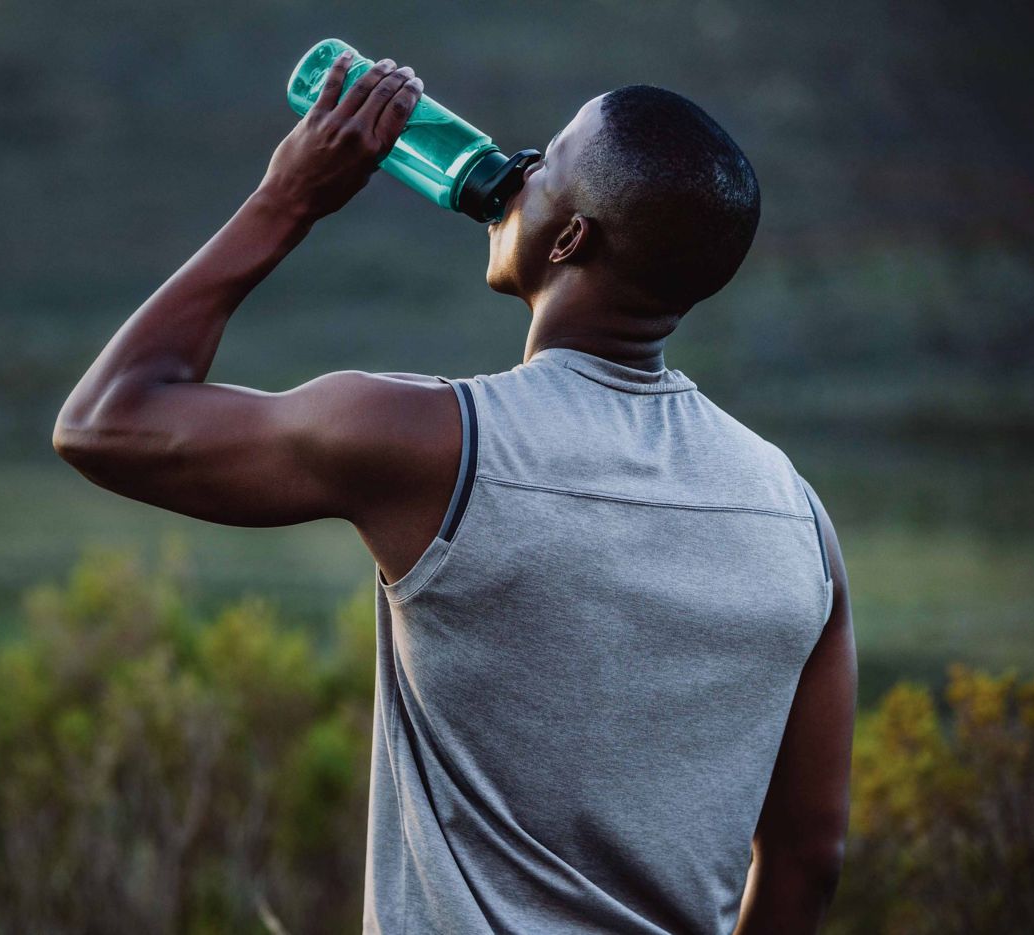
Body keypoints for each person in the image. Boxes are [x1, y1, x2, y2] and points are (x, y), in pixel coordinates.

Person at [52, 51, 854, 935]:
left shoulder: (436, 444)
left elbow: (105, 420)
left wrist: (289, 198)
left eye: (545, 161)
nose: (513, 171)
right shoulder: (796, 517)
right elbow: (809, 858)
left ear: (571, 239)